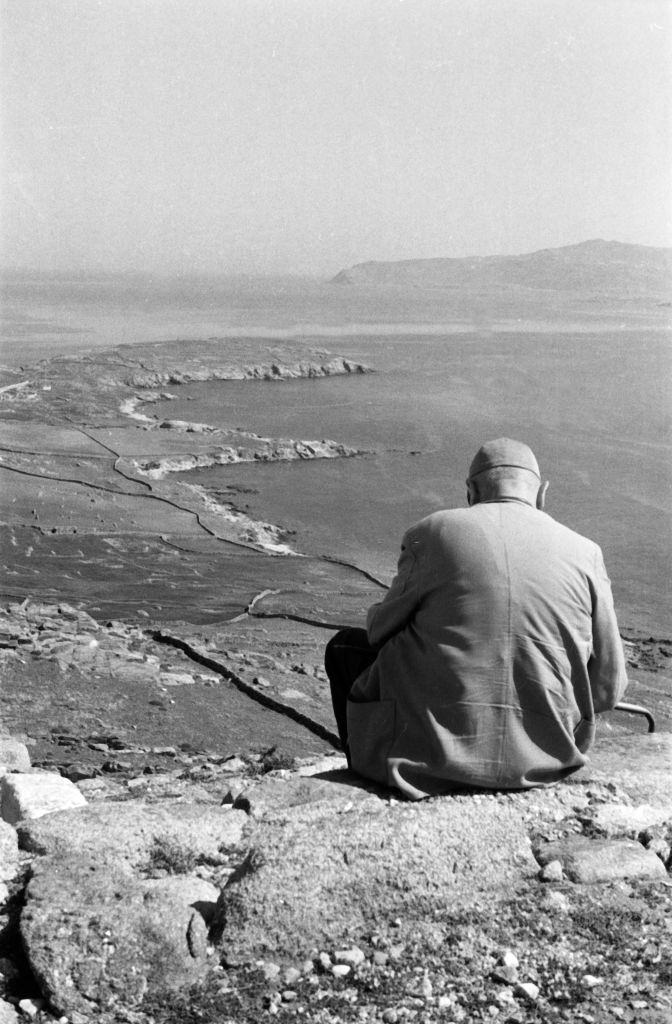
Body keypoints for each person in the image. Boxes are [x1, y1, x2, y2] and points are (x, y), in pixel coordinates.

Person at [325, 438, 627, 800]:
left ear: (471, 491)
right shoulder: (587, 553)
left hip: (425, 762)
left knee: (345, 646)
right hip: (546, 762)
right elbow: (609, 687)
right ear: (543, 494)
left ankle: (368, 768)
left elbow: (376, 633)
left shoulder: (432, 532)